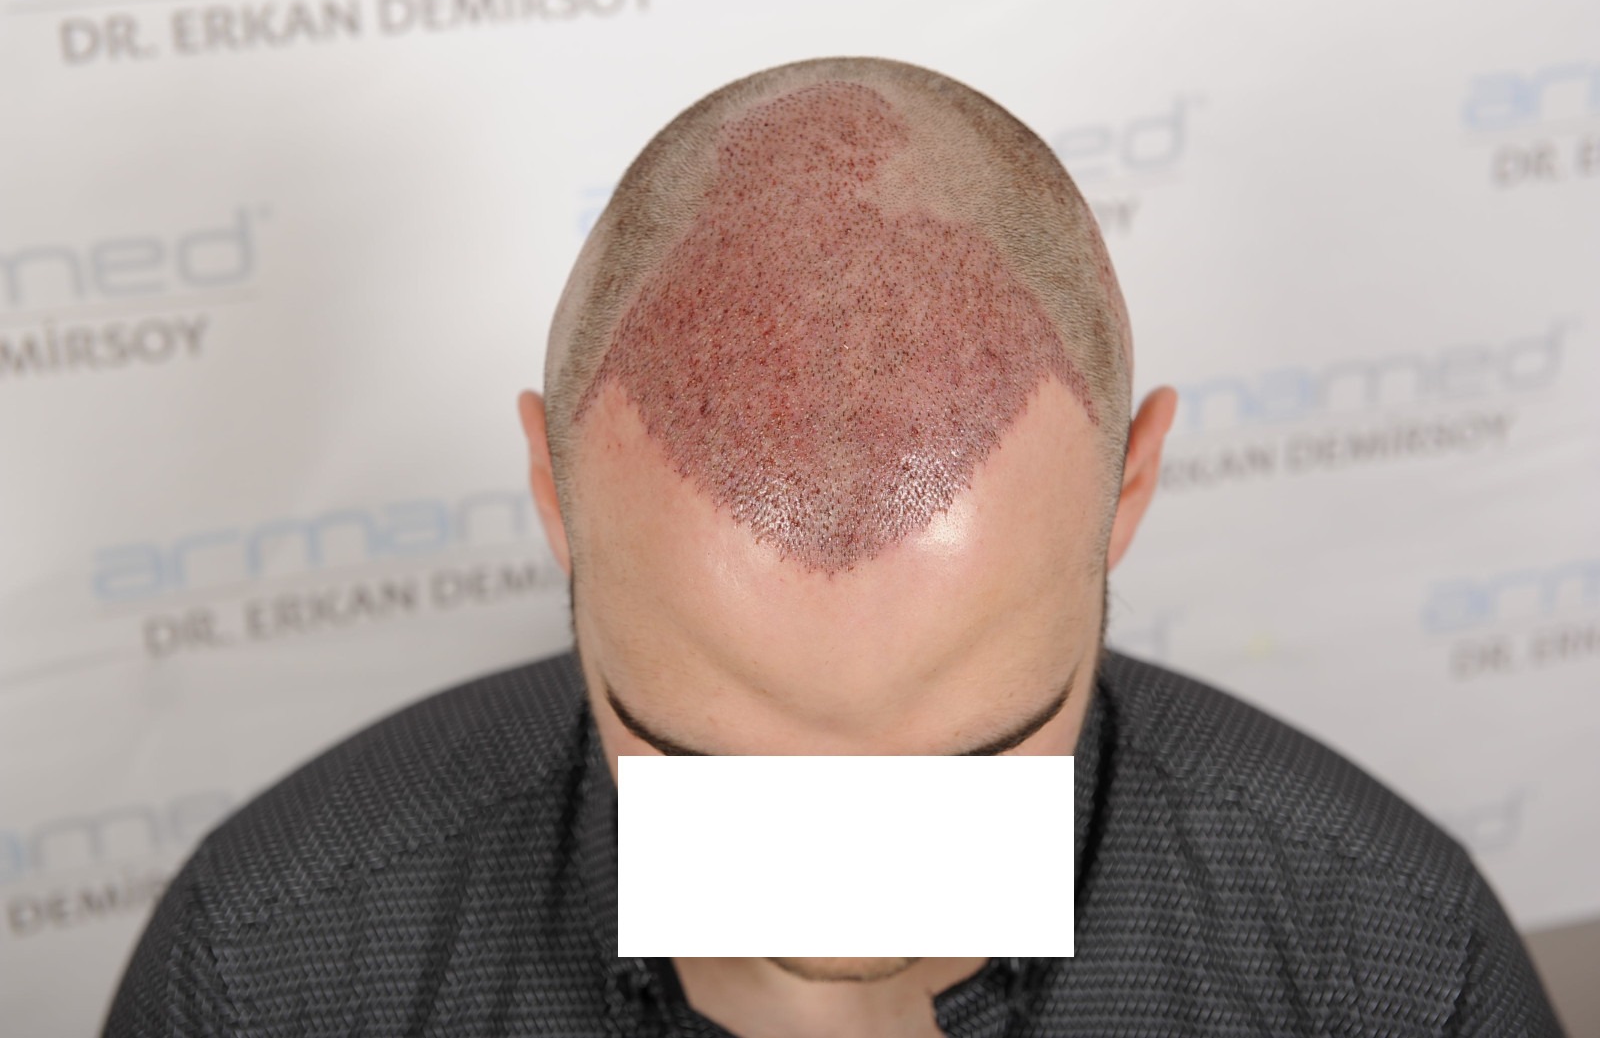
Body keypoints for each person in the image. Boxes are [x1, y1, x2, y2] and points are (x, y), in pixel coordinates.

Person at [102, 57, 1564, 1038]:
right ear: (556, 497)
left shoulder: (1389, 967)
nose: (844, 877)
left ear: (1129, 490)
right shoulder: (272, 968)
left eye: (972, 755)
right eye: (711, 757)